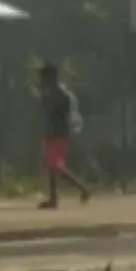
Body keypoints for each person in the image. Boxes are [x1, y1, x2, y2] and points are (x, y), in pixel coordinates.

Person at [37, 62, 91, 208]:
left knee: (56, 166)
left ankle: (83, 188)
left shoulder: (61, 95)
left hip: (59, 134)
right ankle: (54, 198)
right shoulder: (53, 93)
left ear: (51, 77)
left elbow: (64, 115)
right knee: (52, 167)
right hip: (52, 133)